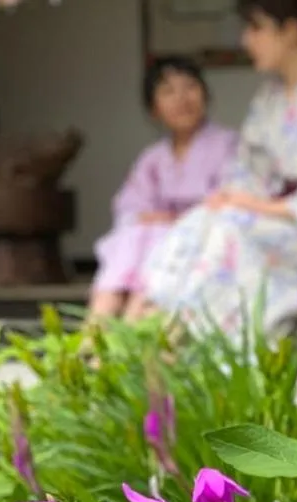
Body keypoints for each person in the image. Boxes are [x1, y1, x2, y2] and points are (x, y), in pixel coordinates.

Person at [140, 0, 297, 345]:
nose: (246, 40)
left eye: (256, 28)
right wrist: (232, 199)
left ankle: (186, 339)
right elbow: (247, 175)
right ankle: (157, 319)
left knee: (230, 231)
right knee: (201, 221)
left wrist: (247, 205)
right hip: (281, 219)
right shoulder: (269, 98)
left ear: (290, 31)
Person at [89, 57, 237, 322]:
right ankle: (97, 326)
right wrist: (156, 222)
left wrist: (176, 221)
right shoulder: (153, 157)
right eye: (168, 91)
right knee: (135, 235)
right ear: (154, 109)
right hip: (155, 244)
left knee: (153, 241)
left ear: (205, 94)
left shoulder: (227, 145)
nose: (182, 99)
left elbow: (230, 199)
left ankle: (129, 327)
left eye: (190, 87)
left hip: (203, 238)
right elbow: (131, 207)